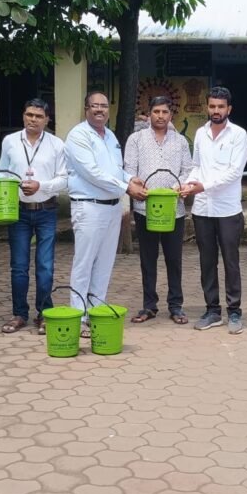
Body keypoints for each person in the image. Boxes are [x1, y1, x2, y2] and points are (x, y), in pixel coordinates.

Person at [65, 91, 146, 337]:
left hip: (111, 207)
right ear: (86, 109)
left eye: (104, 106)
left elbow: (114, 170)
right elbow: (92, 172)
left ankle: (95, 312)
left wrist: (130, 178)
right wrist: (126, 188)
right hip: (89, 206)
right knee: (84, 263)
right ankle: (78, 317)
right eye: (94, 106)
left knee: (104, 264)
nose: (100, 110)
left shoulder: (110, 136)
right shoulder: (78, 135)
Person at [180, 86, 247, 334]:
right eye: (212, 106)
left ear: (229, 109)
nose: (216, 111)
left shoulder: (239, 135)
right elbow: (196, 165)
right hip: (202, 209)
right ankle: (212, 311)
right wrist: (188, 184)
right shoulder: (200, 133)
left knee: (231, 261)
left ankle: (234, 311)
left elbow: (234, 172)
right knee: (206, 261)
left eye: (221, 107)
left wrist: (204, 186)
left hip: (228, 209)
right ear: (207, 107)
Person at [0, 98, 68, 335]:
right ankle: (19, 313)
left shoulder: (57, 144)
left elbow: (64, 179)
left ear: (47, 120)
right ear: (23, 115)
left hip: (46, 210)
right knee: (18, 266)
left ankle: (45, 312)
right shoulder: (10, 141)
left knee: (45, 266)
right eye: (29, 115)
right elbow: (1, 173)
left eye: (38, 116)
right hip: (18, 211)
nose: (33, 120)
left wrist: (41, 186)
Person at [124, 96, 193, 325]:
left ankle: (176, 306)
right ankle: (149, 305)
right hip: (145, 208)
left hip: (174, 209)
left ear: (171, 115)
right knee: (148, 258)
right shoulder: (136, 139)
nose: (160, 116)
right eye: (156, 111)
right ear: (149, 114)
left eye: (164, 112)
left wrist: (179, 186)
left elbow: (187, 170)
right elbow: (129, 169)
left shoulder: (180, 141)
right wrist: (134, 183)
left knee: (174, 259)